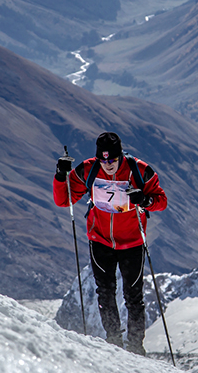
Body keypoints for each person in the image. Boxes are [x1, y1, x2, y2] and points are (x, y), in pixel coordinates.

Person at [53, 132, 167, 355]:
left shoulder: (139, 170)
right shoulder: (88, 170)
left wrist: (144, 200)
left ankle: (135, 346)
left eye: (112, 160)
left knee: (133, 297)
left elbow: (161, 201)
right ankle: (113, 341)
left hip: (132, 242)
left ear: (120, 156)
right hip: (100, 240)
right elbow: (64, 199)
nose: (108, 166)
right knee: (105, 292)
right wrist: (60, 176)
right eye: (103, 160)